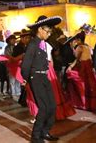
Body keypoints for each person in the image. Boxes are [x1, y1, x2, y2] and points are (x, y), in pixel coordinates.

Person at [21, 15, 61, 143]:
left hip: (44, 76)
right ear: (40, 29)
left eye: (50, 32)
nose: (49, 34)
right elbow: (25, 65)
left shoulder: (43, 44)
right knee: (43, 108)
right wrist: (27, 79)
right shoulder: (33, 44)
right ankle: (36, 136)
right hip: (35, 77)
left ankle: (45, 132)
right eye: (47, 31)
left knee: (52, 106)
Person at [66, 31, 96, 112]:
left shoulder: (79, 47)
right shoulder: (87, 47)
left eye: (76, 40)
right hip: (89, 67)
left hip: (82, 67)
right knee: (90, 85)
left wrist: (70, 67)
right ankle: (91, 104)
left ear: (79, 40)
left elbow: (77, 59)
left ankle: (82, 103)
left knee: (79, 85)